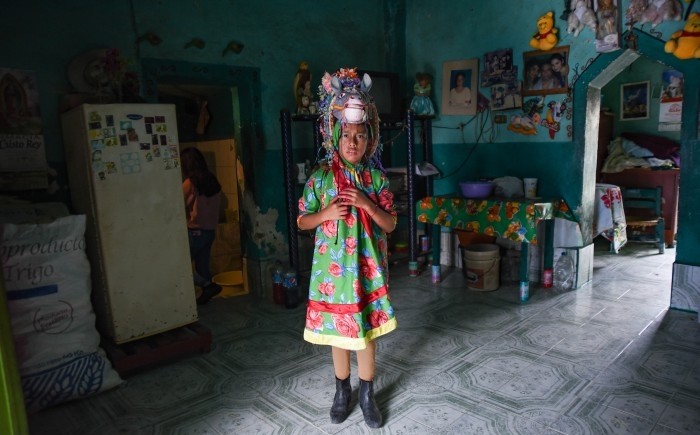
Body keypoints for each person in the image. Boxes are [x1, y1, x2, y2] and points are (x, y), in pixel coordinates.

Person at [297, 67, 397, 429]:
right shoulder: (320, 179)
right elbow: (302, 221)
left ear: (370, 140)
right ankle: (342, 391)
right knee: (338, 334)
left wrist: (367, 204)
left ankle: (367, 394)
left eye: (360, 136)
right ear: (335, 136)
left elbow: (390, 224)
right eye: (347, 135)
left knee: (365, 333)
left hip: (367, 271)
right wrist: (325, 213)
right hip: (332, 275)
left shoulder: (376, 179)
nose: (353, 142)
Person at [181, 147, 223, 305]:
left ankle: (207, 286)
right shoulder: (212, 180)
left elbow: (178, 204)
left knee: (181, 266)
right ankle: (207, 297)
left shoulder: (190, 183)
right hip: (209, 232)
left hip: (195, 232)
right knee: (203, 267)